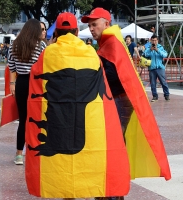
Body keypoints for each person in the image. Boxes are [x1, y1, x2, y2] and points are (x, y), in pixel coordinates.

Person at [25, 12, 130, 199]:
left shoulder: (47, 54)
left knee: (64, 160)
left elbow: (36, 80)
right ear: (76, 31)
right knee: (89, 157)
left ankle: (68, 193)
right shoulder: (90, 52)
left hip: (59, 119)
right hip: (87, 120)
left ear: (56, 32)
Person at [81, 7, 171, 200]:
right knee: (114, 146)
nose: (91, 29)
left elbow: (113, 76)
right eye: (89, 26)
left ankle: (112, 192)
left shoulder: (111, 44)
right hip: (120, 101)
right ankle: (113, 191)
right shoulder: (110, 43)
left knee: (112, 147)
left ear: (107, 23)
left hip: (119, 102)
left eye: (94, 24)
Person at [8, 18, 46, 165]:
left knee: (23, 119)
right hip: (36, 83)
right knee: (37, 116)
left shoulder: (14, 45)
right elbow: (44, 64)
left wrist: (12, 83)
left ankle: (19, 154)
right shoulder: (40, 45)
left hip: (21, 83)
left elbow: (11, 66)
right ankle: (35, 149)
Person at [144, 35, 170, 102]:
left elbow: (165, 55)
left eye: (155, 40)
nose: (154, 42)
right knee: (153, 83)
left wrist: (157, 50)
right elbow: (145, 54)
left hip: (160, 68)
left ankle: (166, 95)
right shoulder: (148, 47)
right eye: (153, 40)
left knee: (163, 82)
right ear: (151, 40)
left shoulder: (160, 47)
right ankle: (155, 96)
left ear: (157, 40)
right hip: (152, 68)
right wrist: (150, 50)